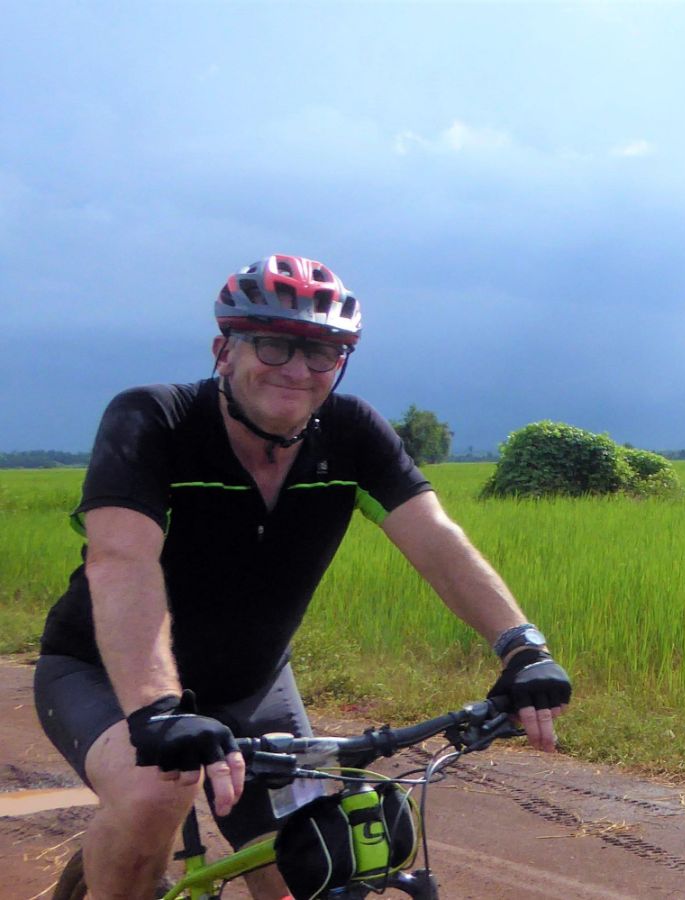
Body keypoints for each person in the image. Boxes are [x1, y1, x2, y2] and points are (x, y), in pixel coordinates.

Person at [34, 255, 573, 900]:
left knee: (312, 863)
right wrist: (157, 710)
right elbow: (122, 560)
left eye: (323, 354)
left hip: (251, 685)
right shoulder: (156, 420)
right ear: (223, 350)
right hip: (105, 677)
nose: (297, 370)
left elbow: (436, 540)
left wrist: (522, 646)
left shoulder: (352, 434)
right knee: (155, 792)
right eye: (273, 344)